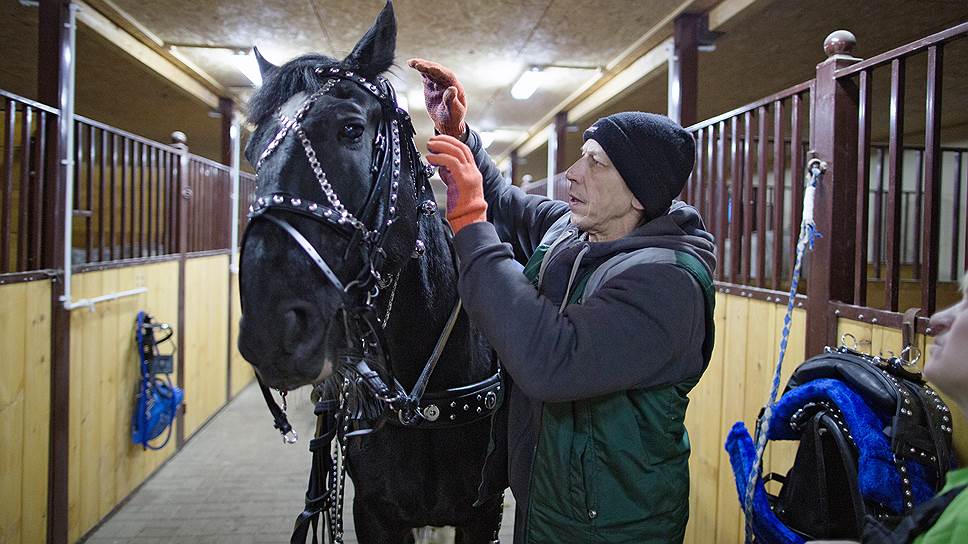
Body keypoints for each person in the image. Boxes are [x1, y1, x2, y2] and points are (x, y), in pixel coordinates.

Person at [409, 58, 716, 543]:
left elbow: (549, 361)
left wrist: (469, 219)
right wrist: (461, 135)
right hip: (551, 499)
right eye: (582, 156)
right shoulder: (575, 230)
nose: (572, 174)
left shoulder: (667, 285)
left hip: (613, 523)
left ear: (639, 193)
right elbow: (506, 201)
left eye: (597, 163)